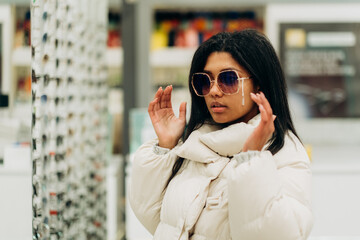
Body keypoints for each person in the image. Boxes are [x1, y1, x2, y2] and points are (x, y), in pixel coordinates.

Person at [129, 29, 313, 240]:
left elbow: (277, 235)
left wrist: (251, 160)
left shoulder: (283, 152)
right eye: (204, 81)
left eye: (228, 79)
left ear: (259, 83)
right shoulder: (196, 144)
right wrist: (167, 145)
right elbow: (158, 220)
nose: (214, 91)